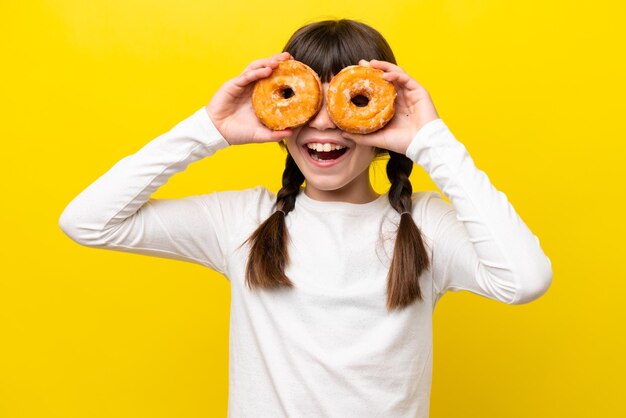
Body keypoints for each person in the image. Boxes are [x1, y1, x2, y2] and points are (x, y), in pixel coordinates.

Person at [59, 18, 552, 418]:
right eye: (308, 100)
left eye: (349, 102)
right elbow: (88, 221)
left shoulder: (423, 227)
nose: (321, 123)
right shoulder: (244, 220)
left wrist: (430, 140)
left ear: (383, 118)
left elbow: (525, 280)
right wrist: (209, 130)